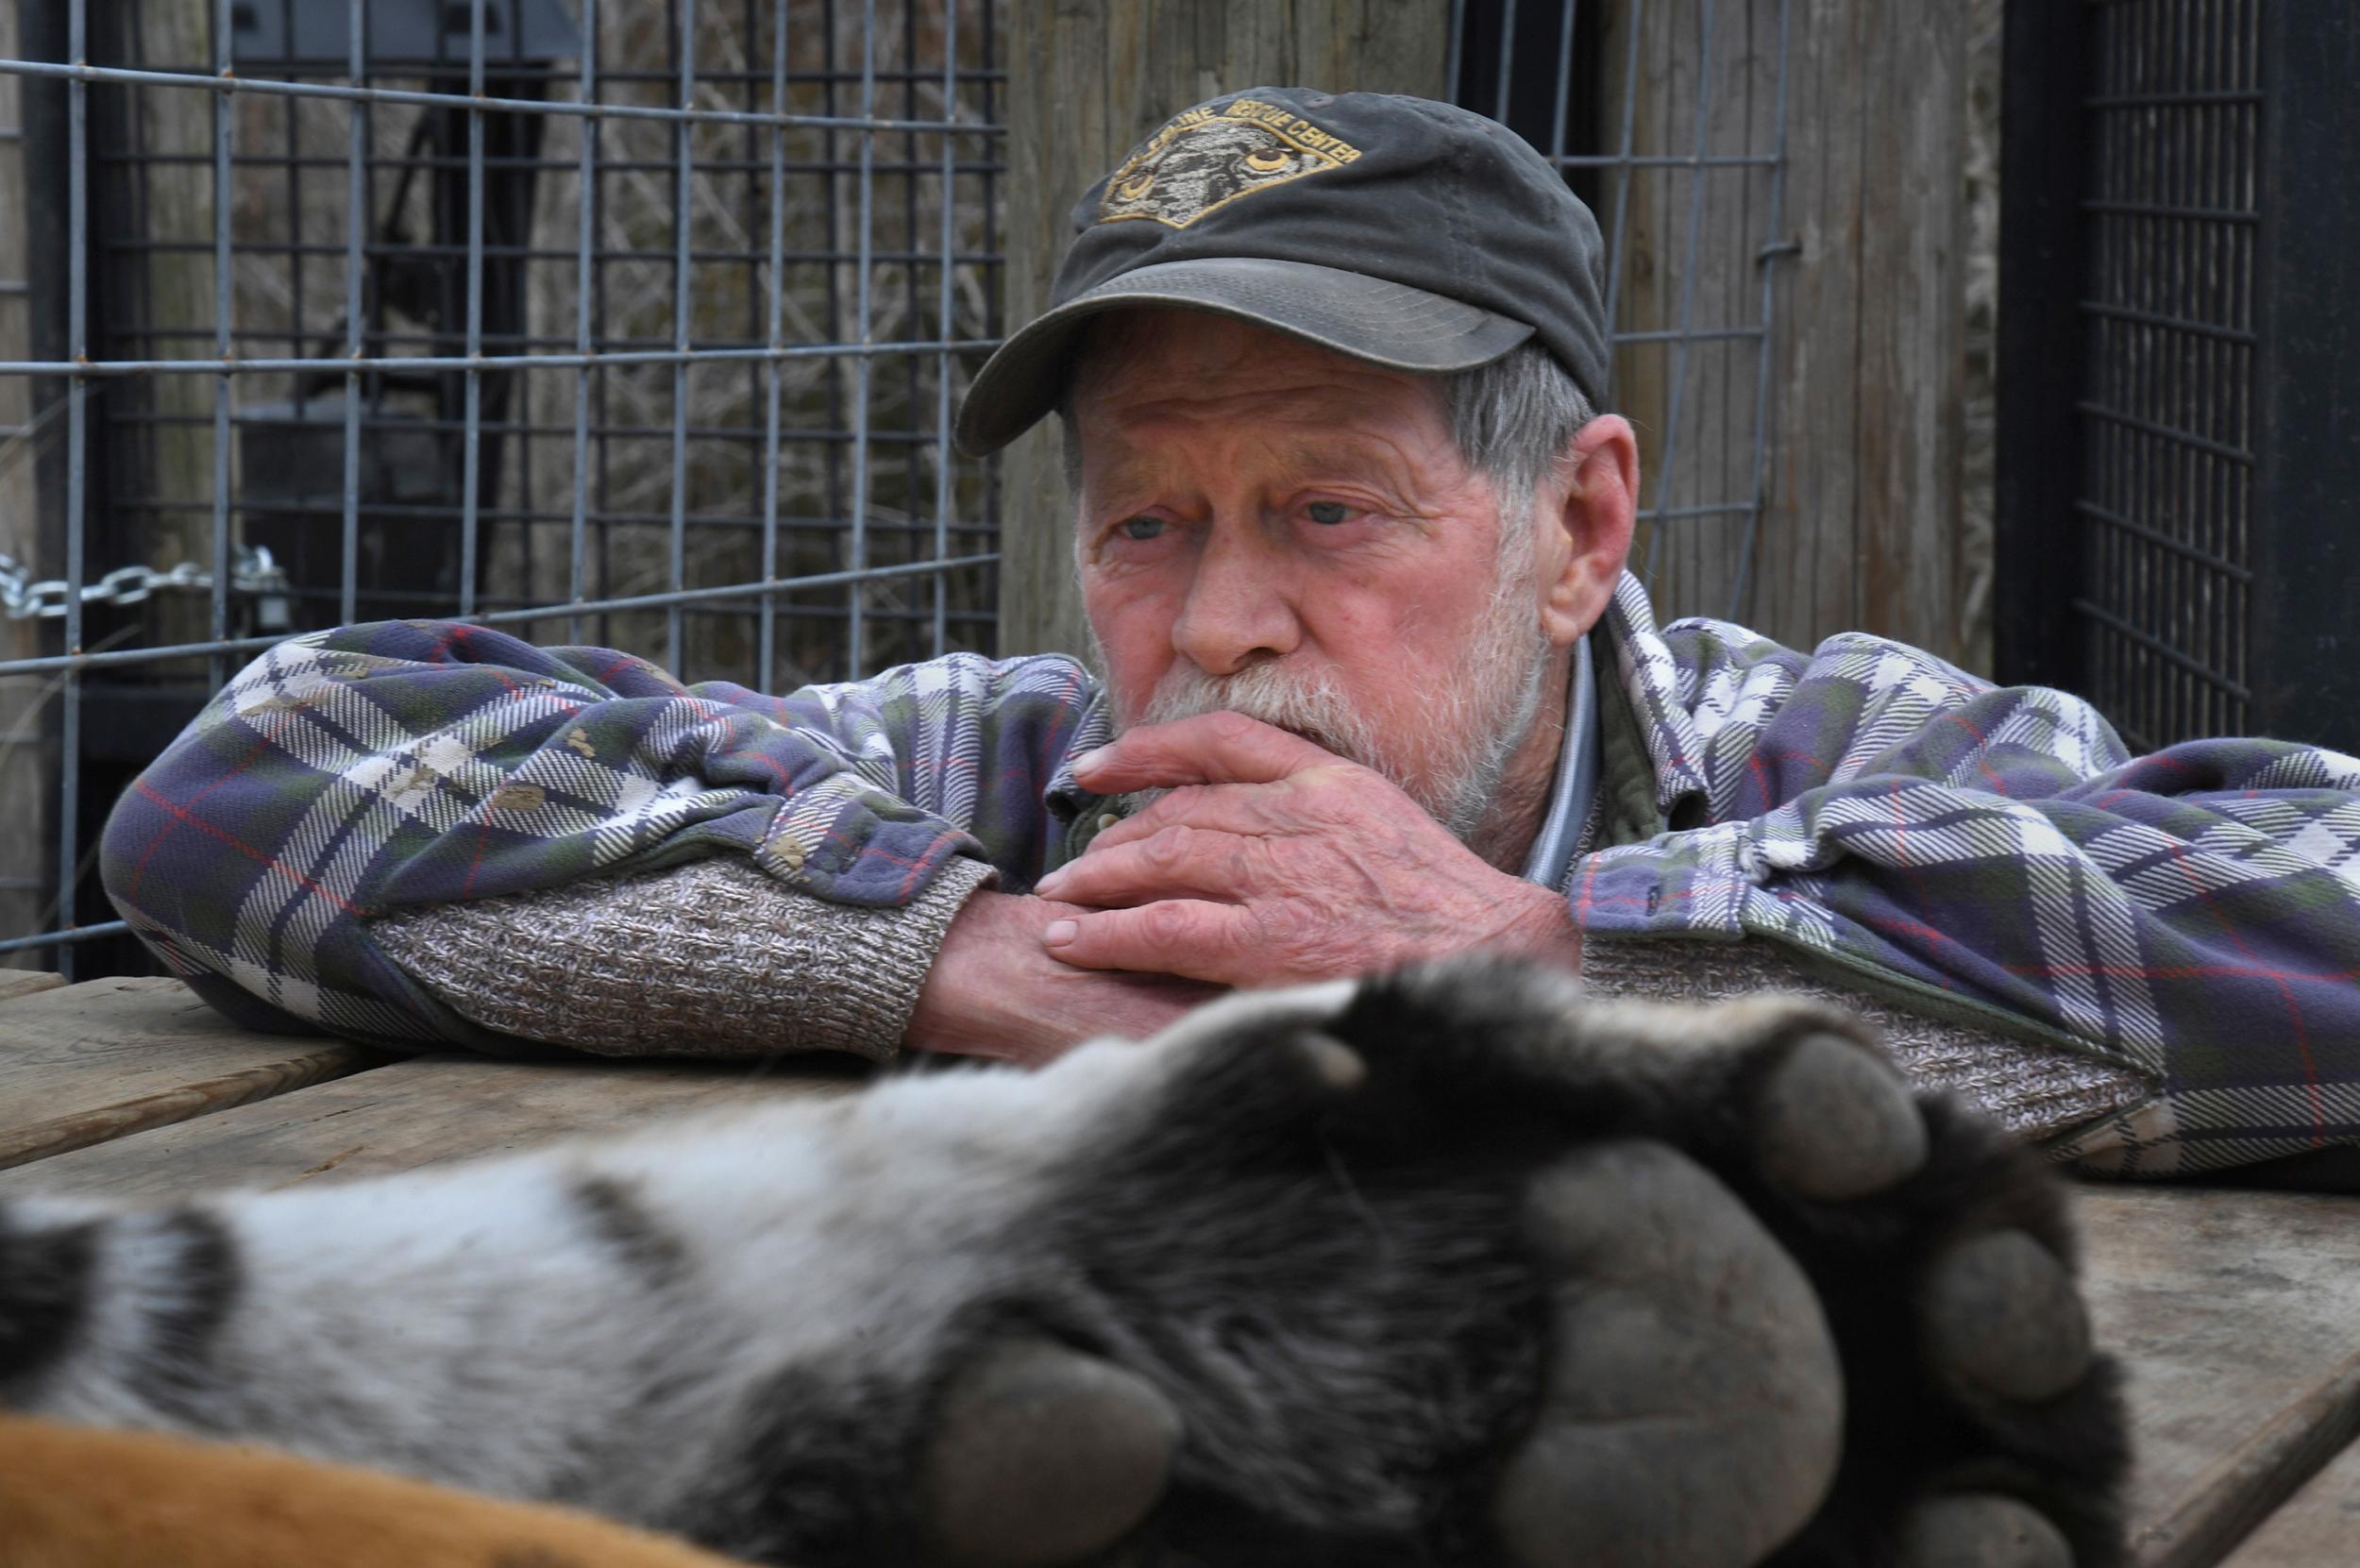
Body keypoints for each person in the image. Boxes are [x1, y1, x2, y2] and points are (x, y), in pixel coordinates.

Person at [101, 86, 2360, 1179]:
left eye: (1324, 511)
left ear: (1576, 527)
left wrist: (1551, 965)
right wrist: (951, 952)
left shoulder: (1819, 753)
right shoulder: (999, 776)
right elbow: (258, 776)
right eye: (1144, 524)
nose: (1208, 629)